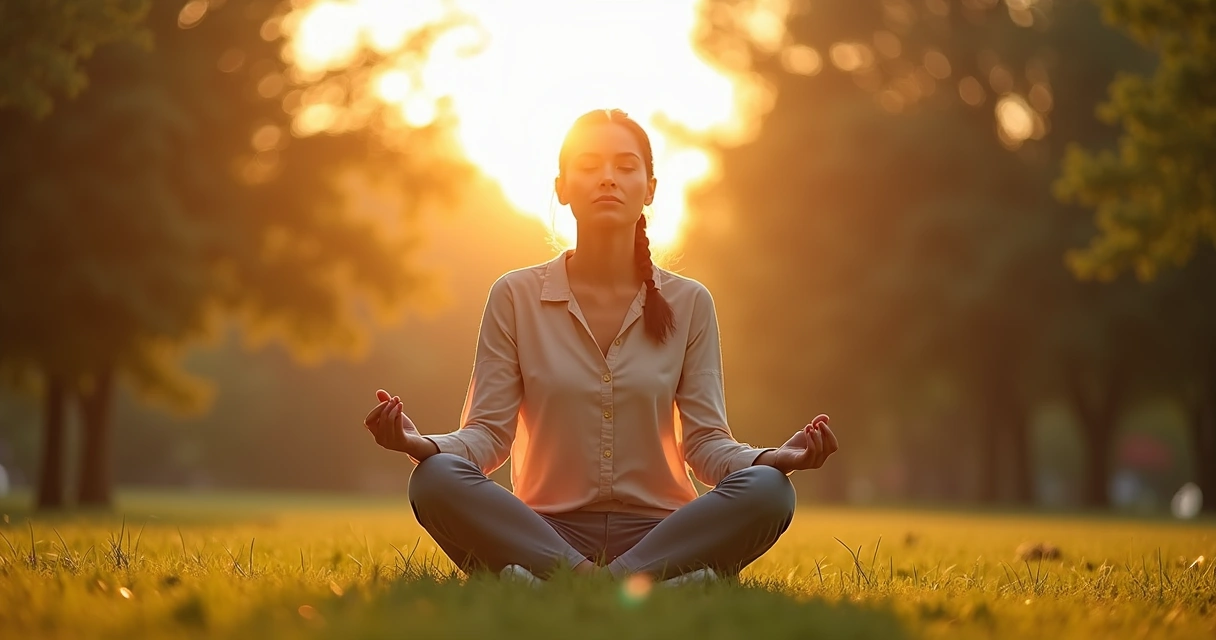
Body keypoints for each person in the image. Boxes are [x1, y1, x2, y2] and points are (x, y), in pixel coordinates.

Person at [361, 108, 839, 585]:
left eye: (626, 167)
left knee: (770, 490)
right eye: (589, 166)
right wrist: (419, 445)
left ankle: (563, 584)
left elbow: (706, 444)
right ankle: (648, 586)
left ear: (650, 188)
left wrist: (775, 460)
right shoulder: (514, 296)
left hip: (662, 534)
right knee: (435, 478)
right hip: (545, 532)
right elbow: (487, 434)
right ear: (562, 187)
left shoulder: (690, 302)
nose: (607, 178)